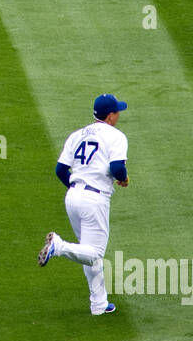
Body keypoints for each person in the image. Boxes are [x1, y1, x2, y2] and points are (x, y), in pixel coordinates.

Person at [38, 94, 130, 315]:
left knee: (86, 250)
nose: (119, 114)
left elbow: (60, 170)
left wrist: (76, 189)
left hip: (73, 196)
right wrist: (124, 179)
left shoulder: (77, 135)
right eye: (117, 111)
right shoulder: (116, 136)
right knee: (95, 253)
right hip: (94, 199)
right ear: (110, 116)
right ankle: (58, 246)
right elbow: (117, 167)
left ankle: (98, 304)